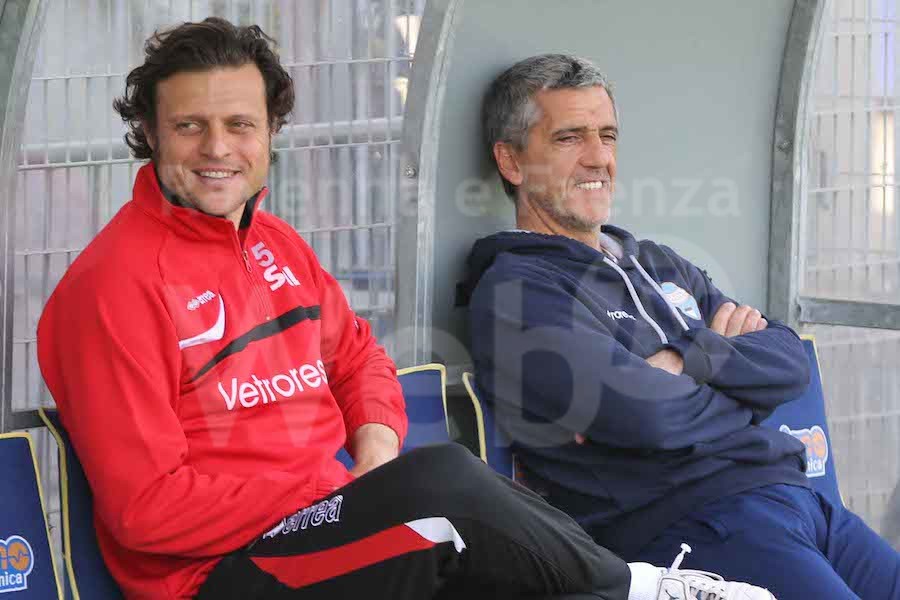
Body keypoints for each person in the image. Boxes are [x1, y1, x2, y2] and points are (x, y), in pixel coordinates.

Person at [36, 19, 776, 600]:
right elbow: (148, 510)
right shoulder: (112, 288)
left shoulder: (275, 245)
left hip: (335, 526)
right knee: (444, 485)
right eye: (189, 126)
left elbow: (360, 359)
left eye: (240, 124)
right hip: (226, 573)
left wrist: (374, 456)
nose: (217, 148)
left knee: (503, 555)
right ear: (150, 134)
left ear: (271, 133)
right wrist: (342, 490)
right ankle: (644, 587)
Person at [464, 53, 900, 600]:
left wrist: (690, 358)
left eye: (607, 135)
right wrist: (744, 386)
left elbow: (790, 363)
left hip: (802, 502)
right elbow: (648, 416)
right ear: (511, 162)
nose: (599, 157)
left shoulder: (658, 263)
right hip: (695, 526)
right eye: (569, 138)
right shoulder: (518, 291)